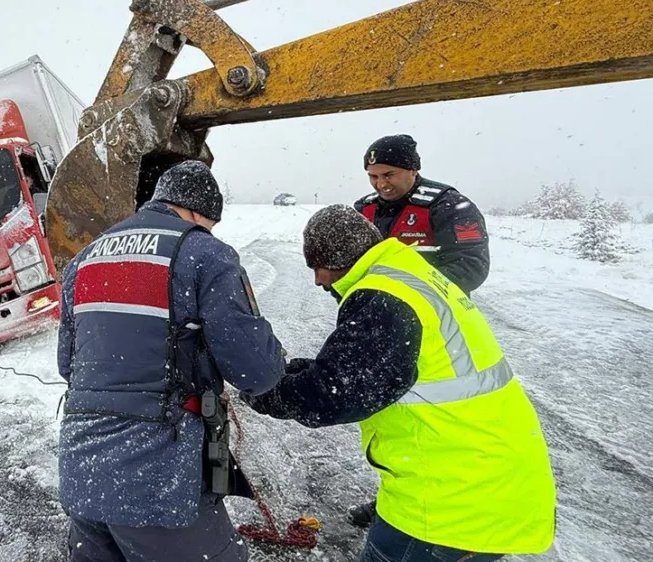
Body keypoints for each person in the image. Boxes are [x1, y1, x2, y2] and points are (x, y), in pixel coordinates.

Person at [241, 205, 556, 562]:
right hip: (488, 481)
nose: (318, 281)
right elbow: (366, 369)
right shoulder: (407, 274)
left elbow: (335, 394)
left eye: (318, 267)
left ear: (340, 258)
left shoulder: (383, 297)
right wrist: (290, 371)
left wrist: (266, 392)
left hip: (447, 505)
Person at [56, 160, 287, 562]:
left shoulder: (85, 259)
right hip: (157, 482)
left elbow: (67, 365)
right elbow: (256, 370)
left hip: (84, 477)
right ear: (200, 212)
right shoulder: (202, 253)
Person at [354, 134, 490, 294]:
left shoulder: (449, 206)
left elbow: (471, 266)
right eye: (373, 177)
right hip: (367, 312)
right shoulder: (364, 209)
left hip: (431, 313)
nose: (381, 184)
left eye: (389, 175)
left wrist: (400, 294)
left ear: (412, 170)